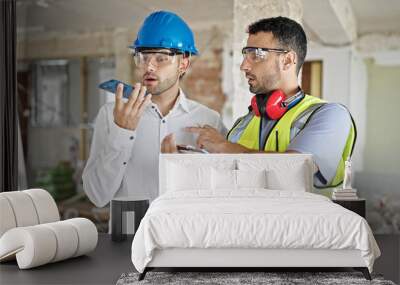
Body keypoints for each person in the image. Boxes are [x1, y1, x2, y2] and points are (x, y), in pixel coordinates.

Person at [162, 16, 356, 188]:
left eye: (256, 55)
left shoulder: (330, 115)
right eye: (245, 55)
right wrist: (189, 168)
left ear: (287, 60)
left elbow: (296, 170)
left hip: (307, 229)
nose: (244, 65)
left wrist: (226, 148)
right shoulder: (242, 125)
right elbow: (228, 183)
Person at [83, 11, 226, 208]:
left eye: (161, 58)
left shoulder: (209, 121)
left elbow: (222, 195)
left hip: (183, 235)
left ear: (183, 63)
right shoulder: (111, 115)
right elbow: (97, 196)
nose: (149, 66)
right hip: (129, 234)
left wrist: (184, 174)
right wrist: (121, 134)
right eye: (143, 56)